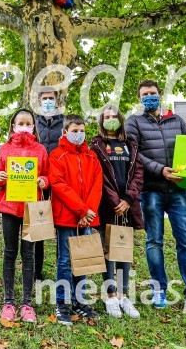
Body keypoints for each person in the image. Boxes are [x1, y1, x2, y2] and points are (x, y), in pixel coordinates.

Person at [125, 80, 186, 315]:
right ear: (139, 98)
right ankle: (159, 290)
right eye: (144, 94)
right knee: (154, 241)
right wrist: (159, 169)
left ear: (160, 94)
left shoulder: (176, 120)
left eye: (152, 93)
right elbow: (134, 155)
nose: (149, 97)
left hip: (178, 192)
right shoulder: (134, 122)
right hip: (151, 191)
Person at [0, 109, 49, 324]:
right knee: (9, 252)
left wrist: (44, 181)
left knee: (29, 253)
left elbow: (46, 175)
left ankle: (27, 303)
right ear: (14, 126)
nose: (25, 126)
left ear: (34, 126)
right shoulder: (6, 149)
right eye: (21, 123)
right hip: (9, 207)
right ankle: (9, 301)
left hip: (31, 208)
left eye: (29, 123)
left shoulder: (41, 149)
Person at [89, 105, 144, 319]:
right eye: (106, 116)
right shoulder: (96, 144)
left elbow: (138, 173)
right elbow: (99, 175)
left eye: (114, 116)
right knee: (108, 251)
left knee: (124, 251)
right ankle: (110, 296)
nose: (111, 119)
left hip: (128, 206)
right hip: (108, 206)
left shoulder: (131, 143)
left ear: (120, 119)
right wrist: (115, 201)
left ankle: (123, 295)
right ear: (101, 121)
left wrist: (128, 199)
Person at [48, 114, 103, 326]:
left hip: (87, 218)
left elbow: (97, 186)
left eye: (82, 131)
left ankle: (79, 301)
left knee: (83, 261)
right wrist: (80, 210)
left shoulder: (92, 157)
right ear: (65, 132)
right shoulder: (57, 155)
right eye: (74, 131)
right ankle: (62, 302)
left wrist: (88, 211)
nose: (78, 135)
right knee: (64, 260)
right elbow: (59, 185)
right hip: (67, 217)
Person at [33, 86, 64, 282]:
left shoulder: (65, 121)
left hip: (61, 177)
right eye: (44, 98)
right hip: (40, 179)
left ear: (57, 101)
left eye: (51, 98)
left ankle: (63, 266)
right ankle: (36, 271)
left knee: (62, 224)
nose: (48, 101)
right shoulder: (34, 122)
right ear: (39, 101)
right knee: (39, 225)